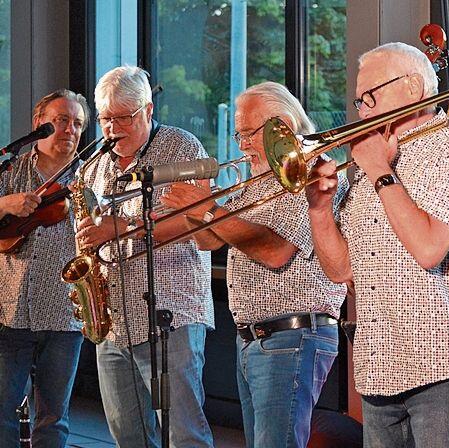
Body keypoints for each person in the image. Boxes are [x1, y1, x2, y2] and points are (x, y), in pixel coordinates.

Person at [306, 42, 449, 447]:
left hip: (443, 363)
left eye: (371, 97)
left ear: (413, 88)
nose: (362, 111)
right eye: (359, 101)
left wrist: (379, 169)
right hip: (379, 363)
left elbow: (429, 248)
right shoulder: (365, 166)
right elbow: (342, 271)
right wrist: (320, 210)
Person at [160, 81, 349, 448]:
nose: (241, 144)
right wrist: (193, 211)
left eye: (248, 133)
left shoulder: (310, 174)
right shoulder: (258, 181)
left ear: (283, 126)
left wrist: (209, 208)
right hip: (255, 337)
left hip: (292, 334)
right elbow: (210, 240)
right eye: (238, 133)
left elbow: (275, 251)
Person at [75, 66, 214, 448]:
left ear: (148, 110)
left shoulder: (181, 147)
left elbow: (190, 219)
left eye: (123, 118)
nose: (112, 129)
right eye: (105, 119)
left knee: (184, 433)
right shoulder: (93, 167)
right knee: (127, 436)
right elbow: (88, 235)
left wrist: (115, 228)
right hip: (113, 321)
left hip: (171, 315)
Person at [0, 89, 89, 447]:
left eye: (78, 124)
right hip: (10, 311)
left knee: (54, 418)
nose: (70, 129)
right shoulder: (11, 170)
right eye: (62, 120)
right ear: (39, 124)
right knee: (1, 413)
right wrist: (5, 203)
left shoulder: (89, 178)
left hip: (65, 313)